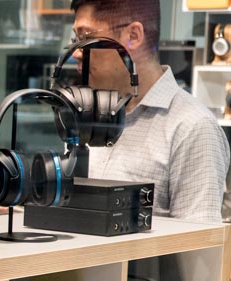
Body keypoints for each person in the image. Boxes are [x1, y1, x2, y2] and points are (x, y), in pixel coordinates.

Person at [70, 0, 230, 223]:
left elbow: (198, 242)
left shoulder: (193, 128)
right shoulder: (88, 115)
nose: (76, 53)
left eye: (86, 37)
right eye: (75, 40)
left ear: (133, 36)